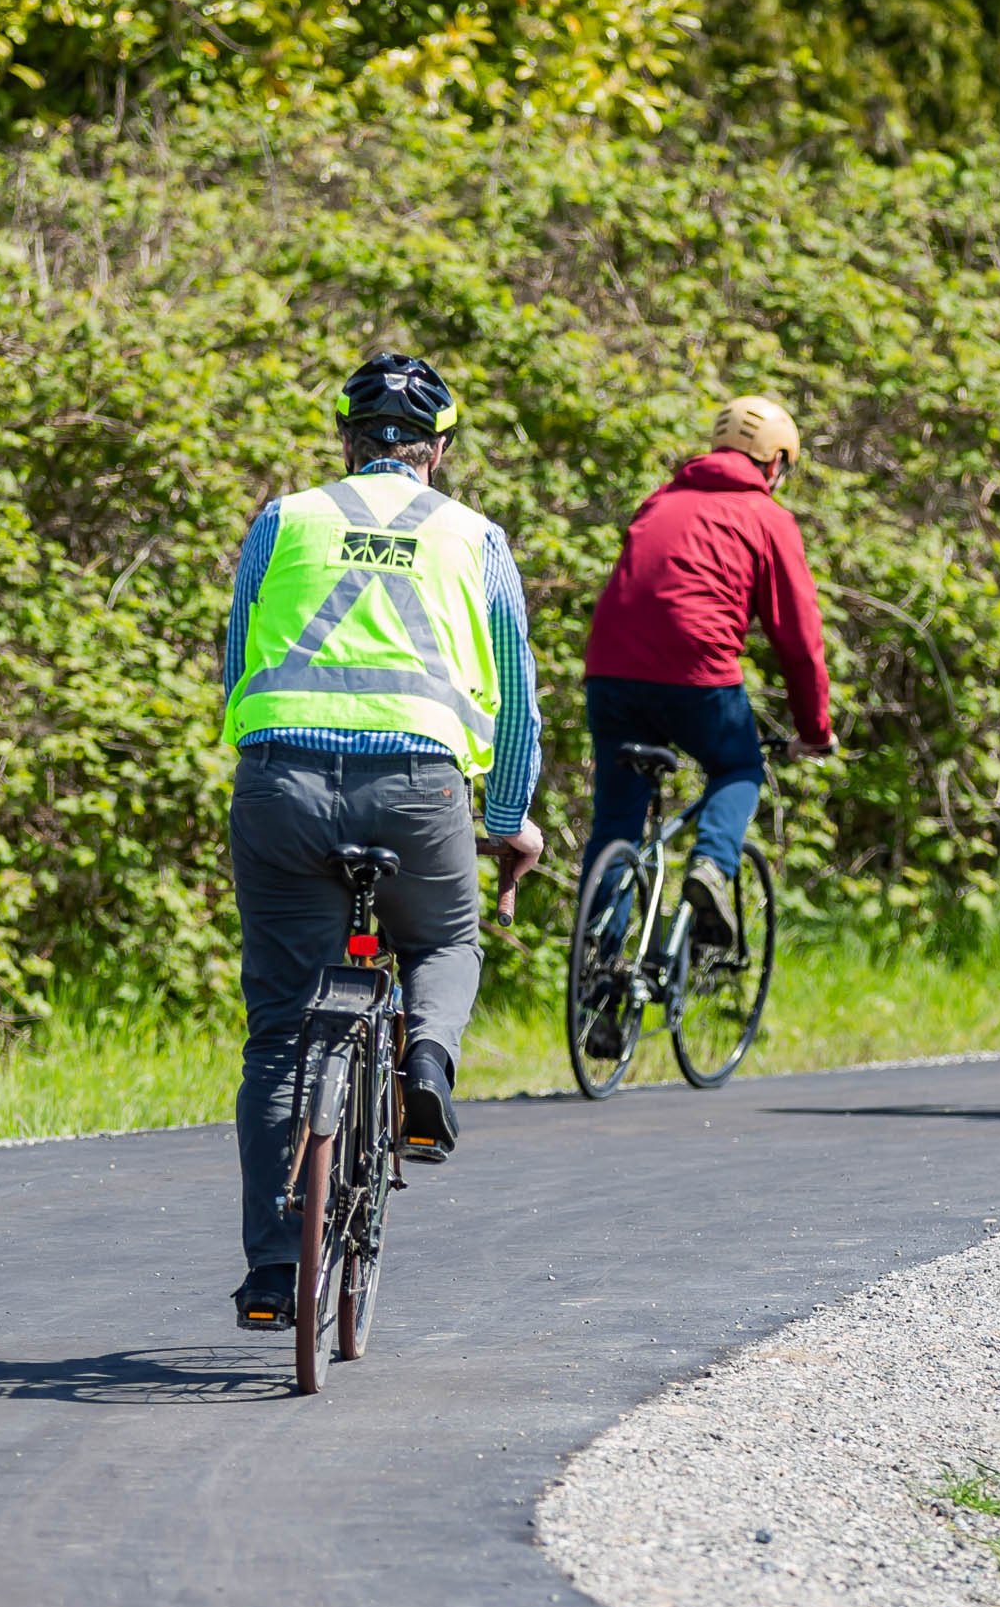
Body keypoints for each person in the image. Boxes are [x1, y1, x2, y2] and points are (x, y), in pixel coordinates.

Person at [219, 353, 545, 1331]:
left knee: (282, 1031)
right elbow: (519, 702)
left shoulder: (285, 518)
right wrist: (506, 823)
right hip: (418, 788)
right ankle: (426, 1068)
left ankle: (275, 1275)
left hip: (284, 782)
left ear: (346, 444)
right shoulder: (476, 538)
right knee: (445, 941)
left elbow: (237, 658)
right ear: (438, 449)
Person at [579, 395, 837, 960]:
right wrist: (814, 729)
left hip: (610, 674)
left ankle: (599, 965)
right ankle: (713, 868)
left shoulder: (660, 501)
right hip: (697, 674)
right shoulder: (768, 519)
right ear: (775, 463)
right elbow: (798, 640)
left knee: (617, 823)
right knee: (739, 764)